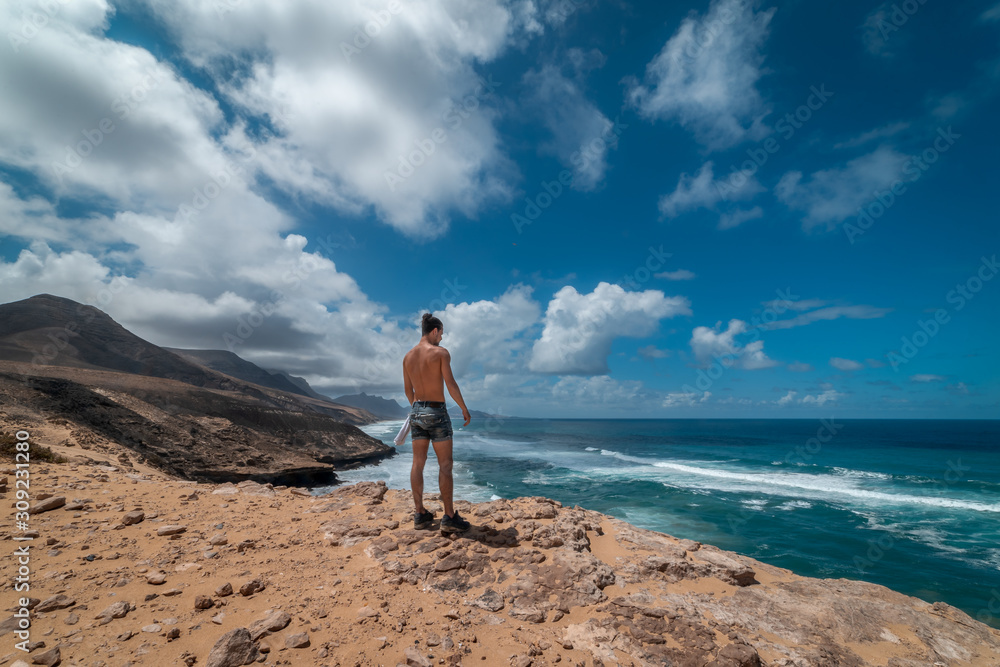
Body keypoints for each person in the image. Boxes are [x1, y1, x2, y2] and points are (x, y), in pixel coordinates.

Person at [402, 312, 472, 533]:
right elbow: (450, 383)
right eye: (441, 333)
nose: (442, 338)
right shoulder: (440, 353)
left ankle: (420, 513)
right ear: (435, 331)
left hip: (416, 410)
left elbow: (408, 390)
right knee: (445, 465)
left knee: (418, 463)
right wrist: (463, 407)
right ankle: (449, 517)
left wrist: (418, 409)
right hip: (437, 411)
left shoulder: (408, 357)